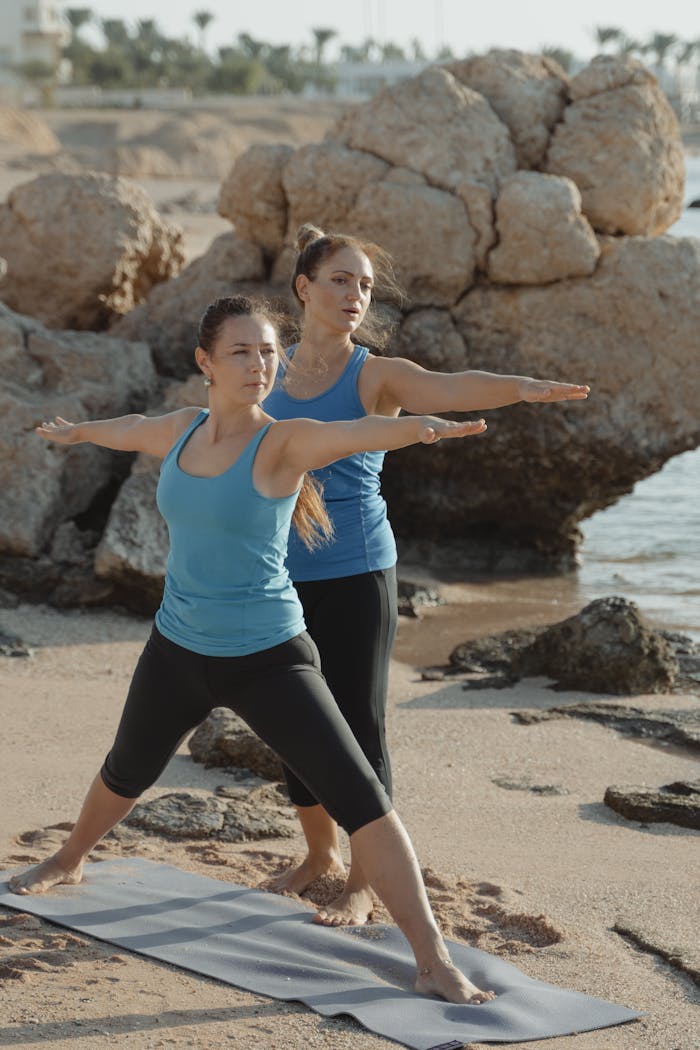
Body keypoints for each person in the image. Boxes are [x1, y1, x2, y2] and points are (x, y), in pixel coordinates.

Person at [8, 294, 496, 1005]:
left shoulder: (285, 441)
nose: (258, 365)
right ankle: (69, 858)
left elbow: (358, 434)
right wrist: (83, 433)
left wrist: (420, 428)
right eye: (241, 352)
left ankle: (430, 955)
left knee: (363, 800)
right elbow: (136, 429)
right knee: (126, 769)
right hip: (177, 647)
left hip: (269, 655)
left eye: (269, 352)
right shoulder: (182, 429)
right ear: (205, 362)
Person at [264, 224, 591, 926]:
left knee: (358, 725)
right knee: (291, 720)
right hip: (277, 575)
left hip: (356, 574)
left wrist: (520, 388)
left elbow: (445, 386)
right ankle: (317, 855)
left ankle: (360, 879)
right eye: (341, 280)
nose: (355, 295)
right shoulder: (271, 370)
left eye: (365, 285)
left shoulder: (373, 375)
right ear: (304, 288)